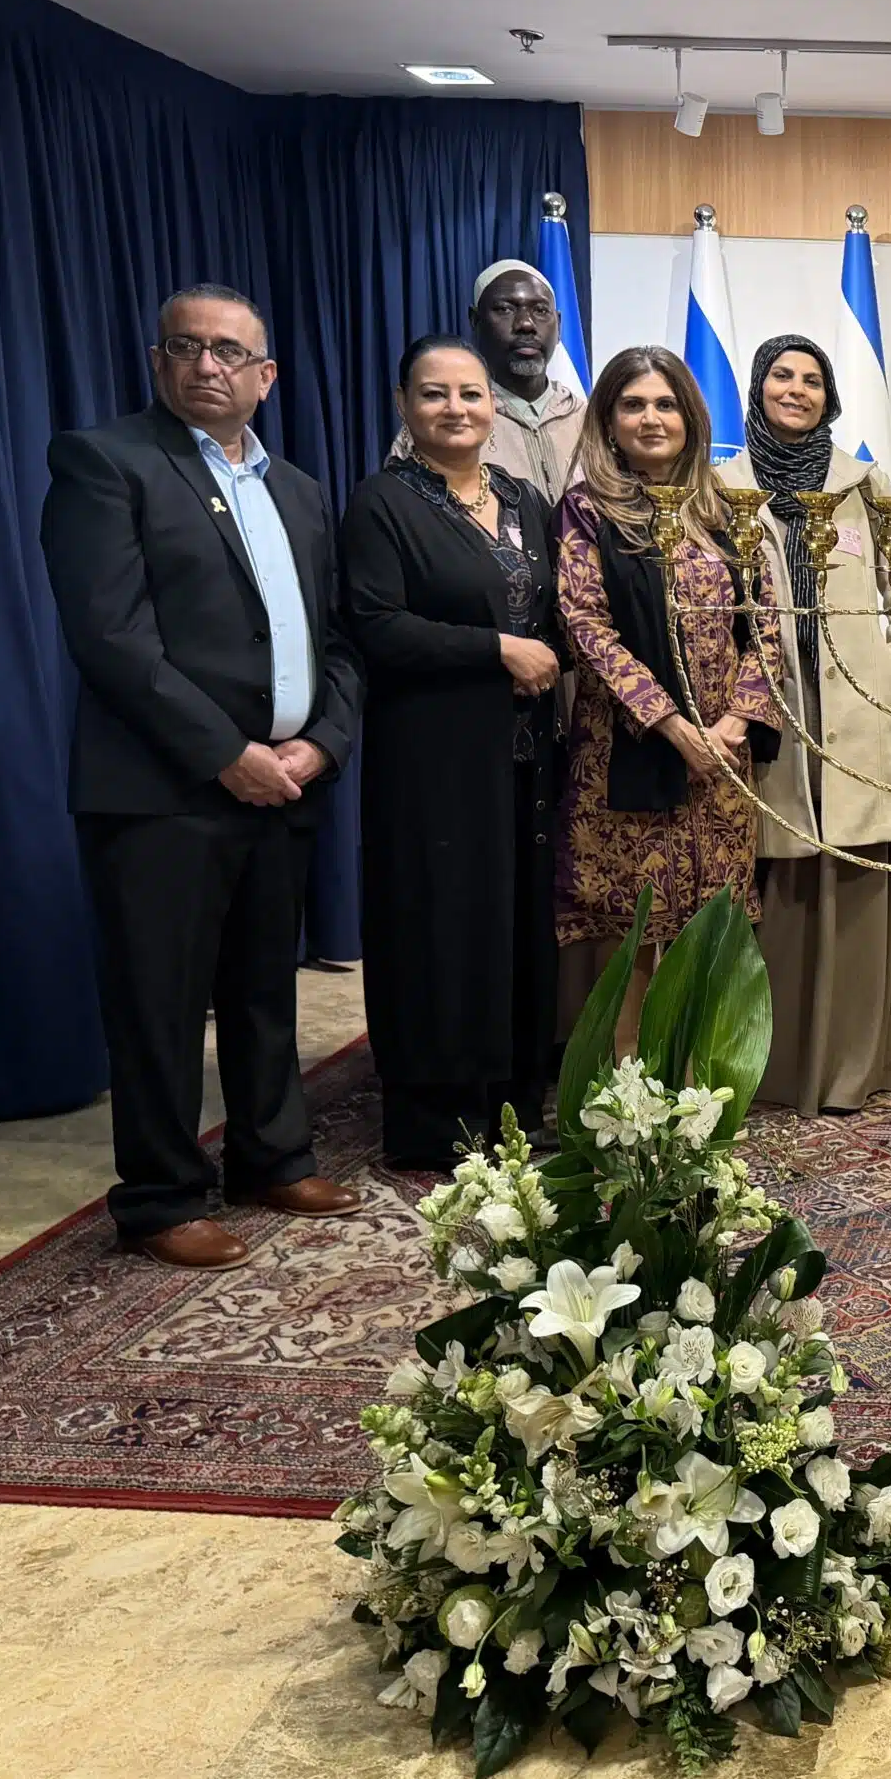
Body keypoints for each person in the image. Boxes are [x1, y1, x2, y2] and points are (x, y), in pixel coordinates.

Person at [39, 284, 366, 1271]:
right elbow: (113, 640)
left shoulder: (300, 490)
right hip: (163, 793)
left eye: (229, 352)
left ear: (266, 377)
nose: (206, 364)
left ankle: (272, 1156)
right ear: (158, 360)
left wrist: (323, 744)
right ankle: (160, 1197)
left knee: (265, 988)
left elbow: (336, 642)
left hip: (286, 785)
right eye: (187, 346)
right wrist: (228, 753)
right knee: (161, 1006)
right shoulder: (105, 463)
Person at [342, 336, 564, 1168]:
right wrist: (495, 651)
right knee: (441, 927)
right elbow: (375, 624)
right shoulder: (382, 504)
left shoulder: (523, 498)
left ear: (492, 406)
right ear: (405, 405)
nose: (456, 409)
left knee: (513, 924)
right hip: (432, 760)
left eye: (470, 394)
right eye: (435, 395)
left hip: (525, 757)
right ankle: (441, 1121)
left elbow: (551, 613)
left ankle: (514, 1104)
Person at [721, 336, 891, 1115]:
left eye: (813, 380)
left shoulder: (864, 485)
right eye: (783, 375)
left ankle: (851, 1066)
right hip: (765, 717)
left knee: (852, 882)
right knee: (777, 880)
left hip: (854, 715)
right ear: (758, 385)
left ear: (830, 397)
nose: (797, 390)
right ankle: (771, 1069)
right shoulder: (722, 490)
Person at [555, 347, 784, 1044]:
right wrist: (671, 725)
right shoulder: (586, 511)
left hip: (721, 764)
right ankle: (627, 1105)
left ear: (690, 415)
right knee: (631, 935)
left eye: (665, 404)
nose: (651, 419)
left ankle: (697, 1100)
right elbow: (585, 624)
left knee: (706, 934)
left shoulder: (727, 506)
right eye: (633, 405)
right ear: (608, 419)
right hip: (631, 753)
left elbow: (767, 626)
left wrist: (734, 725)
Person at [389, 261, 587, 505]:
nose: (526, 324)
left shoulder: (590, 420)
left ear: (559, 324)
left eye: (540, 311)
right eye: (505, 309)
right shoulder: (444, 423)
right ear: (475, 320)